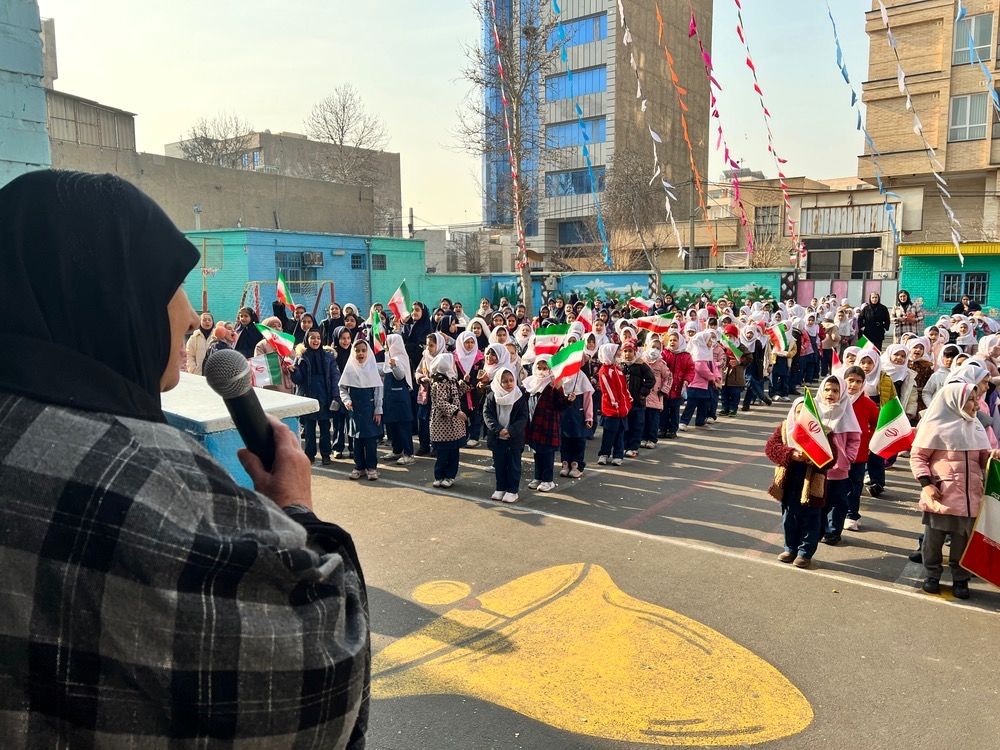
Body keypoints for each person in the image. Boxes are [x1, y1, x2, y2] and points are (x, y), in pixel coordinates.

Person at [0, 170, 368, 745]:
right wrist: (297, 515)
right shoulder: (140, 481)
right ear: (108, 293)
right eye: (170, 286)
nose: (191, 317)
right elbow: (319, 675)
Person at [910, 382, 999, 599]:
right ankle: (932, 575)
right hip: (941, 496)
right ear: (955, 401)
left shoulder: (976, 427)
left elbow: (981, 458)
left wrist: (992, 456)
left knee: (962, 542)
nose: (975, 405)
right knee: (934, 541)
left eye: (975, 400)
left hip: (969, 499)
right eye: (970, 399)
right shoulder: (935, 426)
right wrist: (927, 484)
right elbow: (919, 457)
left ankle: (960, 578)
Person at [764, 398, 833, 569]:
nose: (801, 416)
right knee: (789, 516)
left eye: (807, 413)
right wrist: (791, 454)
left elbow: (832, 459)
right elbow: (771, 449)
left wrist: (813, 458)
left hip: (812, 481)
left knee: (811, 517)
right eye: (798, 411)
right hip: (789, 480)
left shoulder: (824, 432)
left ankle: (805, 553)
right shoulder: (785, 428)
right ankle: (790, 548)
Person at [815, 375, 861, 546]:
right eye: (827, 389)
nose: (830, 394)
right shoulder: (814, 410)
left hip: (840, 470)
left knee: (838, 502)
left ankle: (834, 532)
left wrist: (848, 458)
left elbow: (854, 439)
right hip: (818, 467)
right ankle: (818, 530)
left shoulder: (846, 412)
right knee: (819, 501)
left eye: (835, 391)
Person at [290, 329, 341, 466]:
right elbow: (298, 380)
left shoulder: (328, 356)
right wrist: (293, 372)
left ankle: (326, 454)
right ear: (307, 339)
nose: (316, 341)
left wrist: (336, 396)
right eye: (312, 338)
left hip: (325, 396)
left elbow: (335, 378)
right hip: (308, 396)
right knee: (309, 429)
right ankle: (309, 455)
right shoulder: (301, 357)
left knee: (325, 427)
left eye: (318, 338)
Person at [339, 339, 383, 481]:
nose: (360, 353)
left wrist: (378, 410)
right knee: (356, 441)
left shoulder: (372, 369)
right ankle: (359, 466)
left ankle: (371, 467)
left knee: (370, 441)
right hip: (355, 410)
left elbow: (378, 391)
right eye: (357, 350)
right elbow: (342, 388)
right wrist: (346, 400)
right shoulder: (350, 369)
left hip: (369, 410)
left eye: (363, 350)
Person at [483, 366, 528, 503]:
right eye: (505, 381)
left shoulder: (519, 396)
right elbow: (487, 415)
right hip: (498, 437)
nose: (509, 384)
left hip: (514, 438)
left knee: (513, 465)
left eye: (511, 380)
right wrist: (498, 429)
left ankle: (512, 490)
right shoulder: (492, 396)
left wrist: (511, 430)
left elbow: (523, 417)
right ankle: (500, 488)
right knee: (500, 464)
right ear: (498, 382)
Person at [524, 357, 569, 492]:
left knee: (547, 454)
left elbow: (560, 404)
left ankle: (547, 480)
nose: (542, 371)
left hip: (548, 425)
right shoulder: (531, 384)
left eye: (545, 368)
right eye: (539, 368)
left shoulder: (554, 384)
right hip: (534, 424)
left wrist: (569, 400)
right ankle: (538, 477)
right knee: (537, 453)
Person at [843, 365, 880, 532]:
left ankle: (851, 515)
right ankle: (834, 514)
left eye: (858, 381)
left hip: (858, 454)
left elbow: (877, 424)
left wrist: (868, 439)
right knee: (835, 486)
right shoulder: (836, 400)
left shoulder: (868, 403)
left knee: (854, 485)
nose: (854, 385)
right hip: (837, 453)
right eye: (850, 380)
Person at [382, 333, 415, 465]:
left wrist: (394, 366)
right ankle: (397, 450)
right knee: (393, 425)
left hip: (400, 398)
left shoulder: (400, 358)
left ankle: (408, 452)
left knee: (403, 425)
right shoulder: (388, 358)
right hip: (390, 398)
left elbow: (401, 376)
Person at [597, 343, 631, 466]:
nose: (619, 354)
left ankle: (618, 455)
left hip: (622, 408)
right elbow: (607, 389)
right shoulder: (604, 371)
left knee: (620, 432)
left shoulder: (618, 369)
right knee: (609, 432)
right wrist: (614, 402)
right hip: (611, 408)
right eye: (616, 353)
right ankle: (604, 454)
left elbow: (623, 387)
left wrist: (627, 398)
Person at [680, 331, 720, 430]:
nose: (711, 341)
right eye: (709, 339)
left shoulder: (708, 351)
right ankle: (684, 422)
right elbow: (701, 368)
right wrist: (712, 377)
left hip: (706, 385)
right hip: (696, 385)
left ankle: (700, 421)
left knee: (704, 404)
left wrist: (717, 376)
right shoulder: (698, 352)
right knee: (691, 405)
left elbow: (713, 366)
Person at [621, 342, 654, 456]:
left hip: (637, 401)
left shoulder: (641, 365)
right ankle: (624, 446)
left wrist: (642, 393)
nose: (627, 354)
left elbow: (651, 380)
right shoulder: (620, 365)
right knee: (625, 425)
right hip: (624, 402)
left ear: (635, 352)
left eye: (630, 351)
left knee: (637, 425)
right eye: (625, 351)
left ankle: (633, 447)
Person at [454, 331, 486, 447]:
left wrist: (472, 384)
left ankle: (474, 437)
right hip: (460, 391)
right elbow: (453, 373)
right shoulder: (455, 357)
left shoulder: (479, 357)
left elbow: (481, 374)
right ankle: (463, 436)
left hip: (475, 391)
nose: (469, 345)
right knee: (462, 414)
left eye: (472, 342)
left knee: (475, 414)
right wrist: (462, 384)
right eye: (467, 342)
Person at [641, 341, 672, 446]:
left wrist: (664, 390)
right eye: (653, 347)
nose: (655, 349)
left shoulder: (661, 364)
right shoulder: (642, 361)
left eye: (658, 348)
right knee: (642, 420)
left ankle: (652, 439)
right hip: (643, 397)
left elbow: (669, 377)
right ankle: (643, 438)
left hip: (656, 397)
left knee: (653, 421)